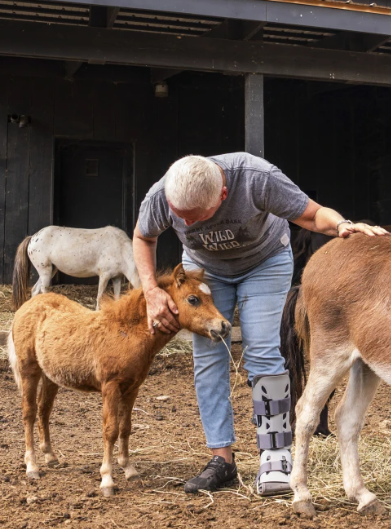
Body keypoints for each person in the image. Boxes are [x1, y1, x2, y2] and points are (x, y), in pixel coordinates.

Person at [132, 152, 387, 496]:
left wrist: (342, 225)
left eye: (197, 217)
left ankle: (275, 453)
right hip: (205, 270)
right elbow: (143, 237)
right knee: (208, 359)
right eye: (182, 218)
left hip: (263, 263)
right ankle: (220, 459)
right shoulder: (161, 196)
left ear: (222, 196)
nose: (188, 225)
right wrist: (150, 289)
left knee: (264, 351)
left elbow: (312, 215)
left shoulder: (256, 177)